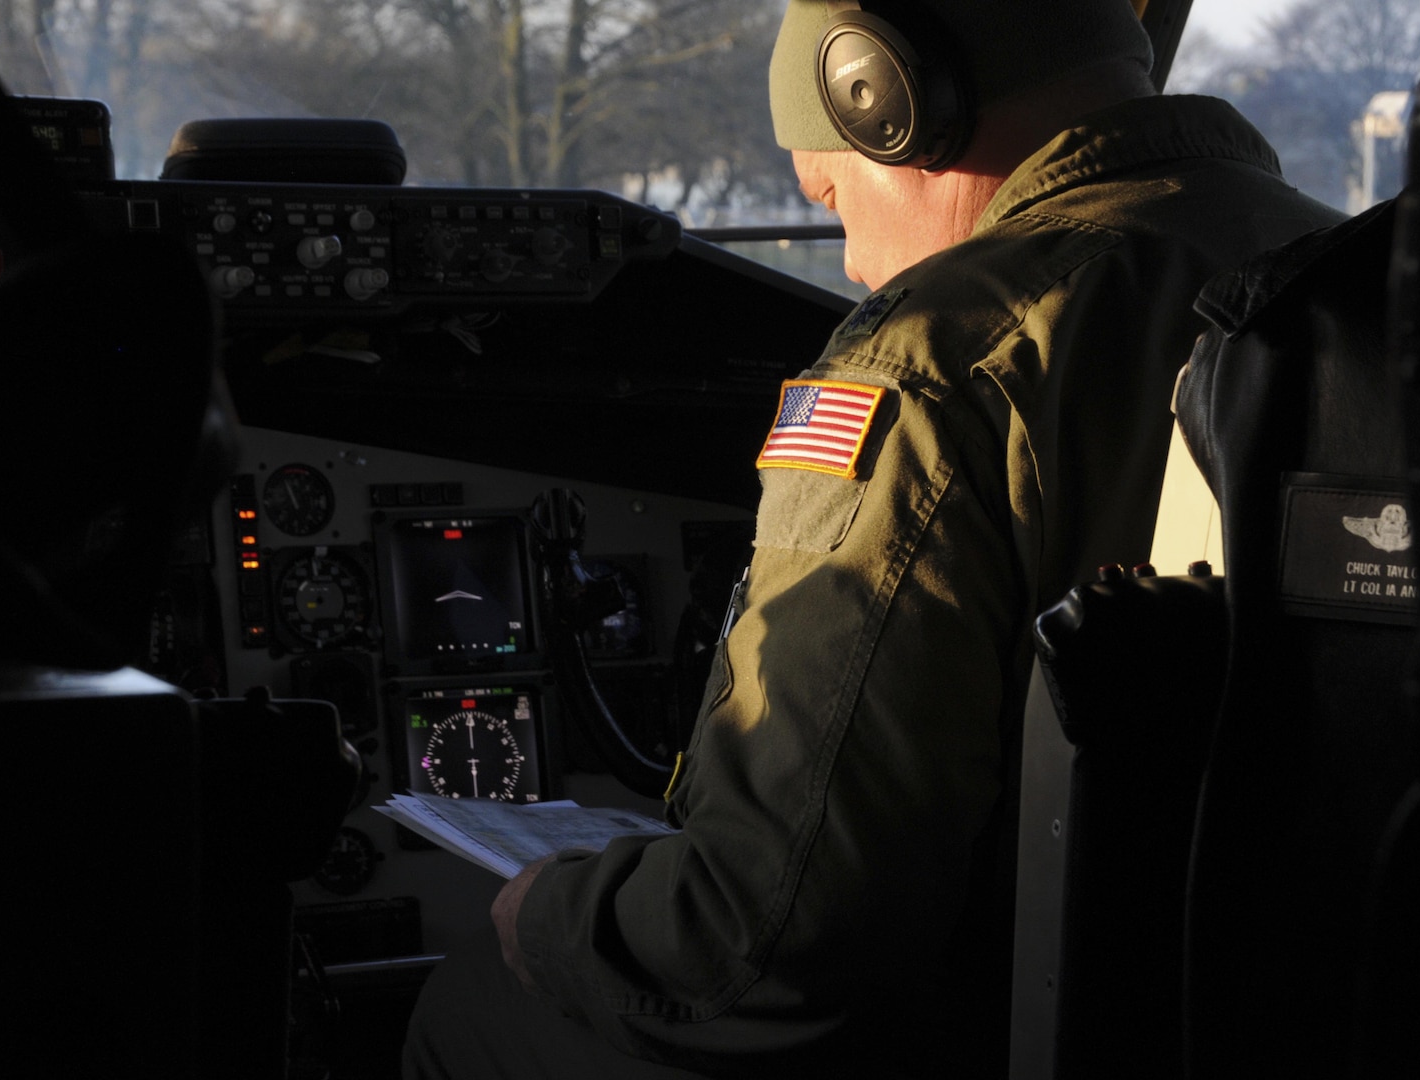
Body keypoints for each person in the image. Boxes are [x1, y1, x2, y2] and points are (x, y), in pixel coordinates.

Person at [404, 2, 1344, 1077]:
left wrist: (549, 917)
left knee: (473, 996)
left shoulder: (934, 358)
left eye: (831, 196)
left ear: (886, 98)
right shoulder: (1337, 272)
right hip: (1290, 1018)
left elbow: (762, 947)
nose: (850, 265)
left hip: (994, 1032)